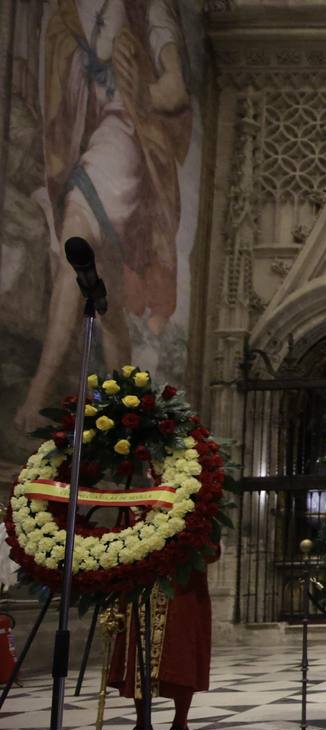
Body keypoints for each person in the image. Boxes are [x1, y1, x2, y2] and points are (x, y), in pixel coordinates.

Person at [15, 0, 193, 432]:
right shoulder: (71, 10)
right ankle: (126, 415)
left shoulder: (151, 10)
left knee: (75, 238)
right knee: (104, 297)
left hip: (126, 139)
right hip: (89, 137)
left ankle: (40, 391)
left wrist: (133, 93)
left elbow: (174, 93)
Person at [107, 562, 213, 730]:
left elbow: (211, 552)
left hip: (180, 589)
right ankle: (142, 726)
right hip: (142, 584)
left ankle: (180, 724)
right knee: (138, 656)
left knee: (179, 655)